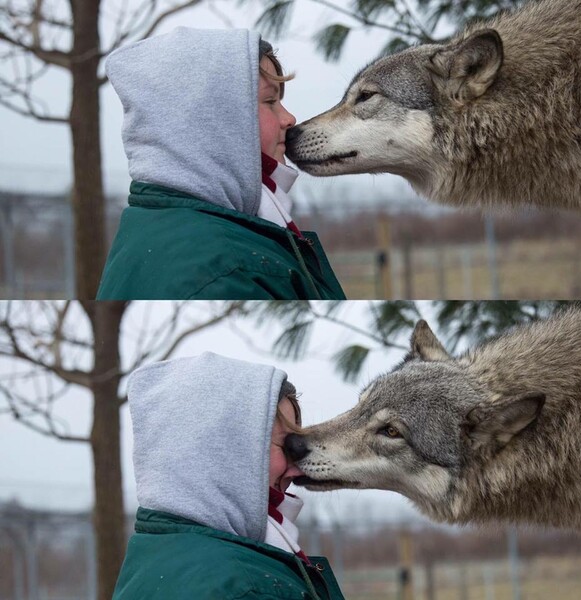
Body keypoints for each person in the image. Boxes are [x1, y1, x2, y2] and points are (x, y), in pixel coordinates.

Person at [96, 28, 346, 300]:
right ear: (211, 121)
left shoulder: (158, 227)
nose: (289, 118)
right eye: (270, 101)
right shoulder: (223, 268)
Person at [112, 352, 345, 599]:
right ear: (220, 451)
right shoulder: (245, 588)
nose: (298, 469)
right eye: (285, 446)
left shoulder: (153, 560)